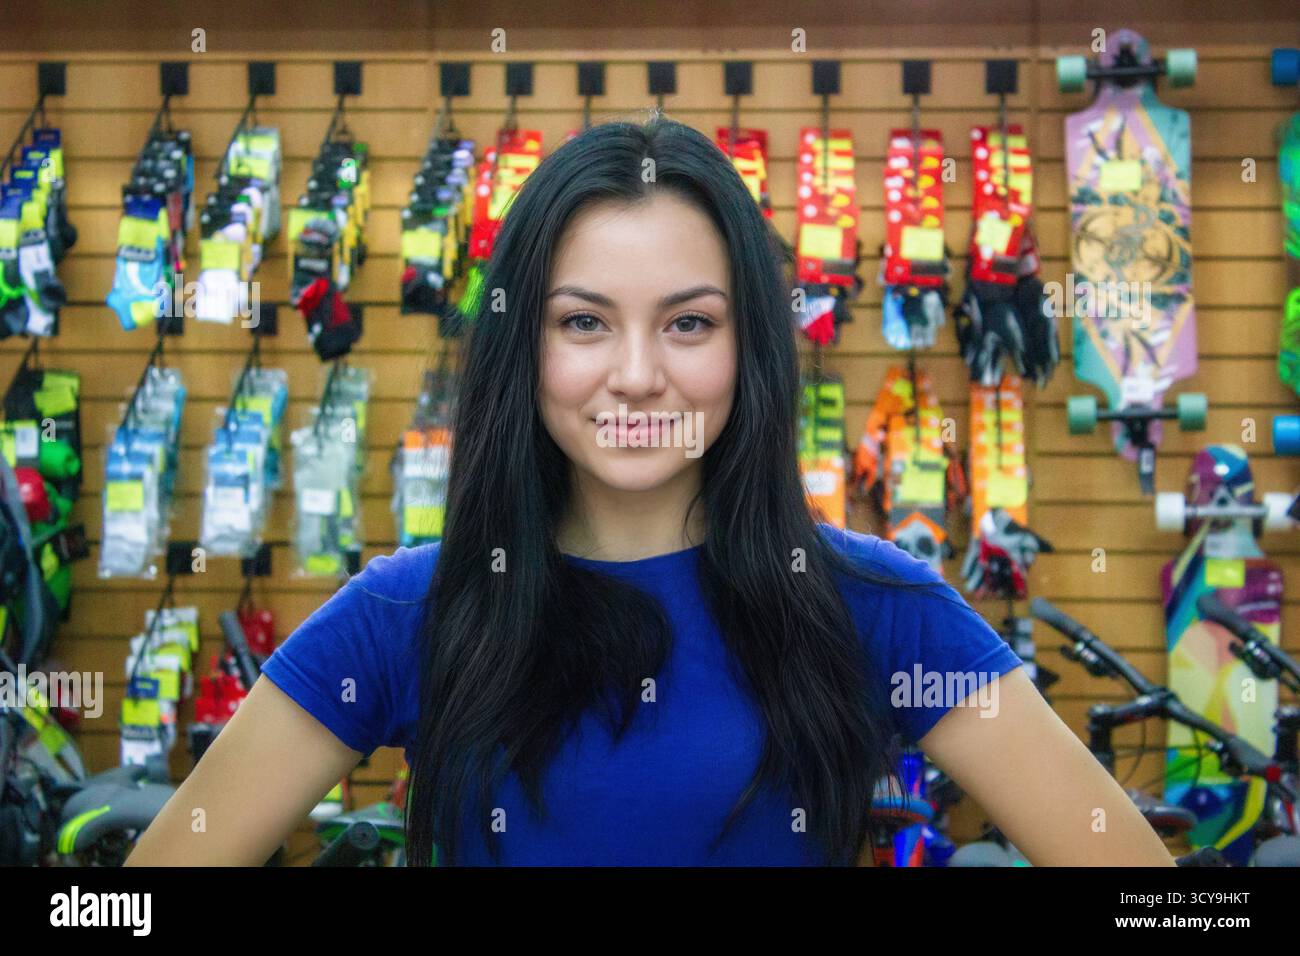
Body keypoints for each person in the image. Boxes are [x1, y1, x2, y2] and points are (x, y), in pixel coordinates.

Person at [127, 115, 1174, 867]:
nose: (636, 372)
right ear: (520, 345)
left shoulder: (874, 606)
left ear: (748, 346)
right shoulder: (408, 613)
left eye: (688, 322)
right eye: (582, 321)